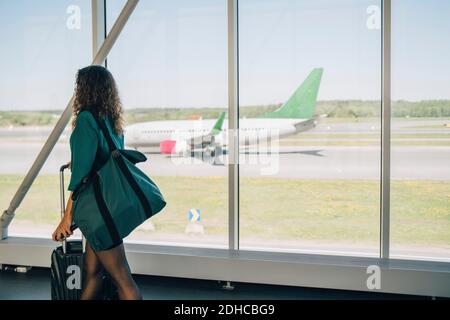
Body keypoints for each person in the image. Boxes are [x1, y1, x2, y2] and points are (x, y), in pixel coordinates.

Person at [52, 65, 142, 300]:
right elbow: (106, 161)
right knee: (92, 272)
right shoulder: (113, 122)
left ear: (84, 89)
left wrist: (67, 216)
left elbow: (81, 174)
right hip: (110, 206)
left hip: (98, 211)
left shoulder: (86, 120)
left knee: (124, 281)